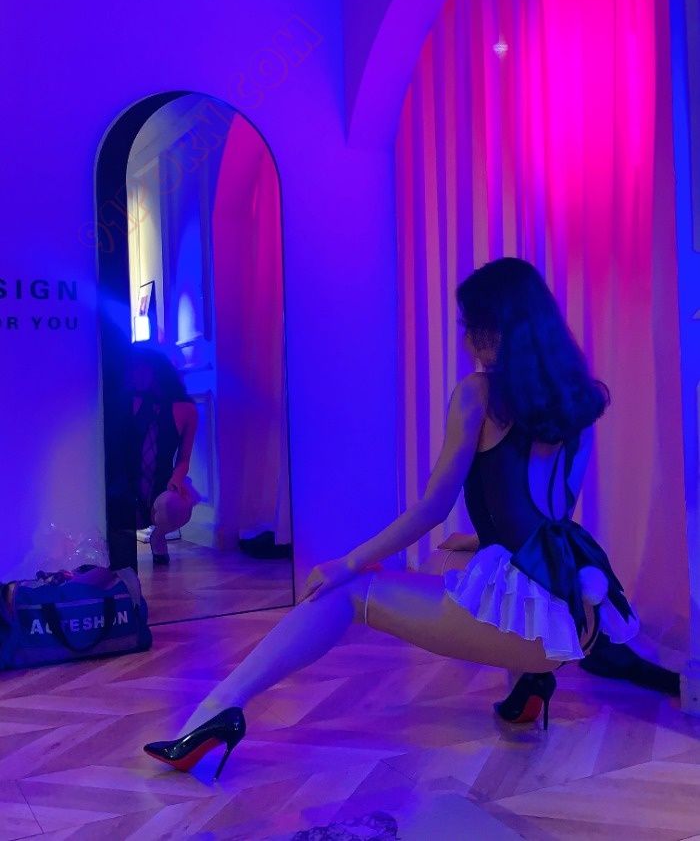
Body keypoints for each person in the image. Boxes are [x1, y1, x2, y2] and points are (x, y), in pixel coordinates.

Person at [143, 257, 638, 779]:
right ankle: (529, 688)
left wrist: (348, 563)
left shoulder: (478, 394)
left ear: (498, 329)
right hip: (576, 618)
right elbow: (554, 517)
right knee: (464, 566)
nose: (466, 340)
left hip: (524, 628)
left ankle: (217, 712)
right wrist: (480, 540)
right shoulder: (582, 399)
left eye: (471, 326)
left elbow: (432, 508)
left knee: (344, 593)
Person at [124, 344, 198, 566]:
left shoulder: (186, 410)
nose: (134, 373)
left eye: (139, 368)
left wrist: (177, 479)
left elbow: (184, 458)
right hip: (131, 486)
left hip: (163, 484)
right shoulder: (128, 402)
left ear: (154, 371)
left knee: (172, 505)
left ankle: (158, 536)